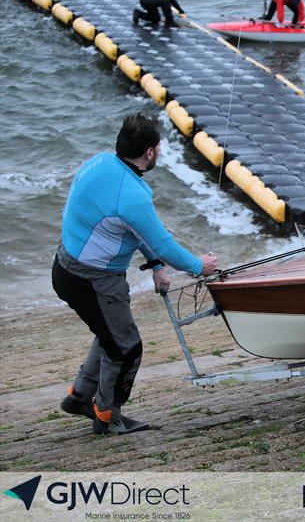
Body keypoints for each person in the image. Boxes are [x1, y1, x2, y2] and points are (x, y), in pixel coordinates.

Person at [53, 113, 218, 435]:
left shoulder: (99, 163)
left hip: (65, 267)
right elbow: (164, 244)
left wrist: (156, 266)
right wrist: (200, 267)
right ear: (151, 152)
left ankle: (80, 397)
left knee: (111, 335)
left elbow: (130, 229)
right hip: (94, 280)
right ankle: (106, 415)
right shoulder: (133, 196)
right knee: (126, 348)